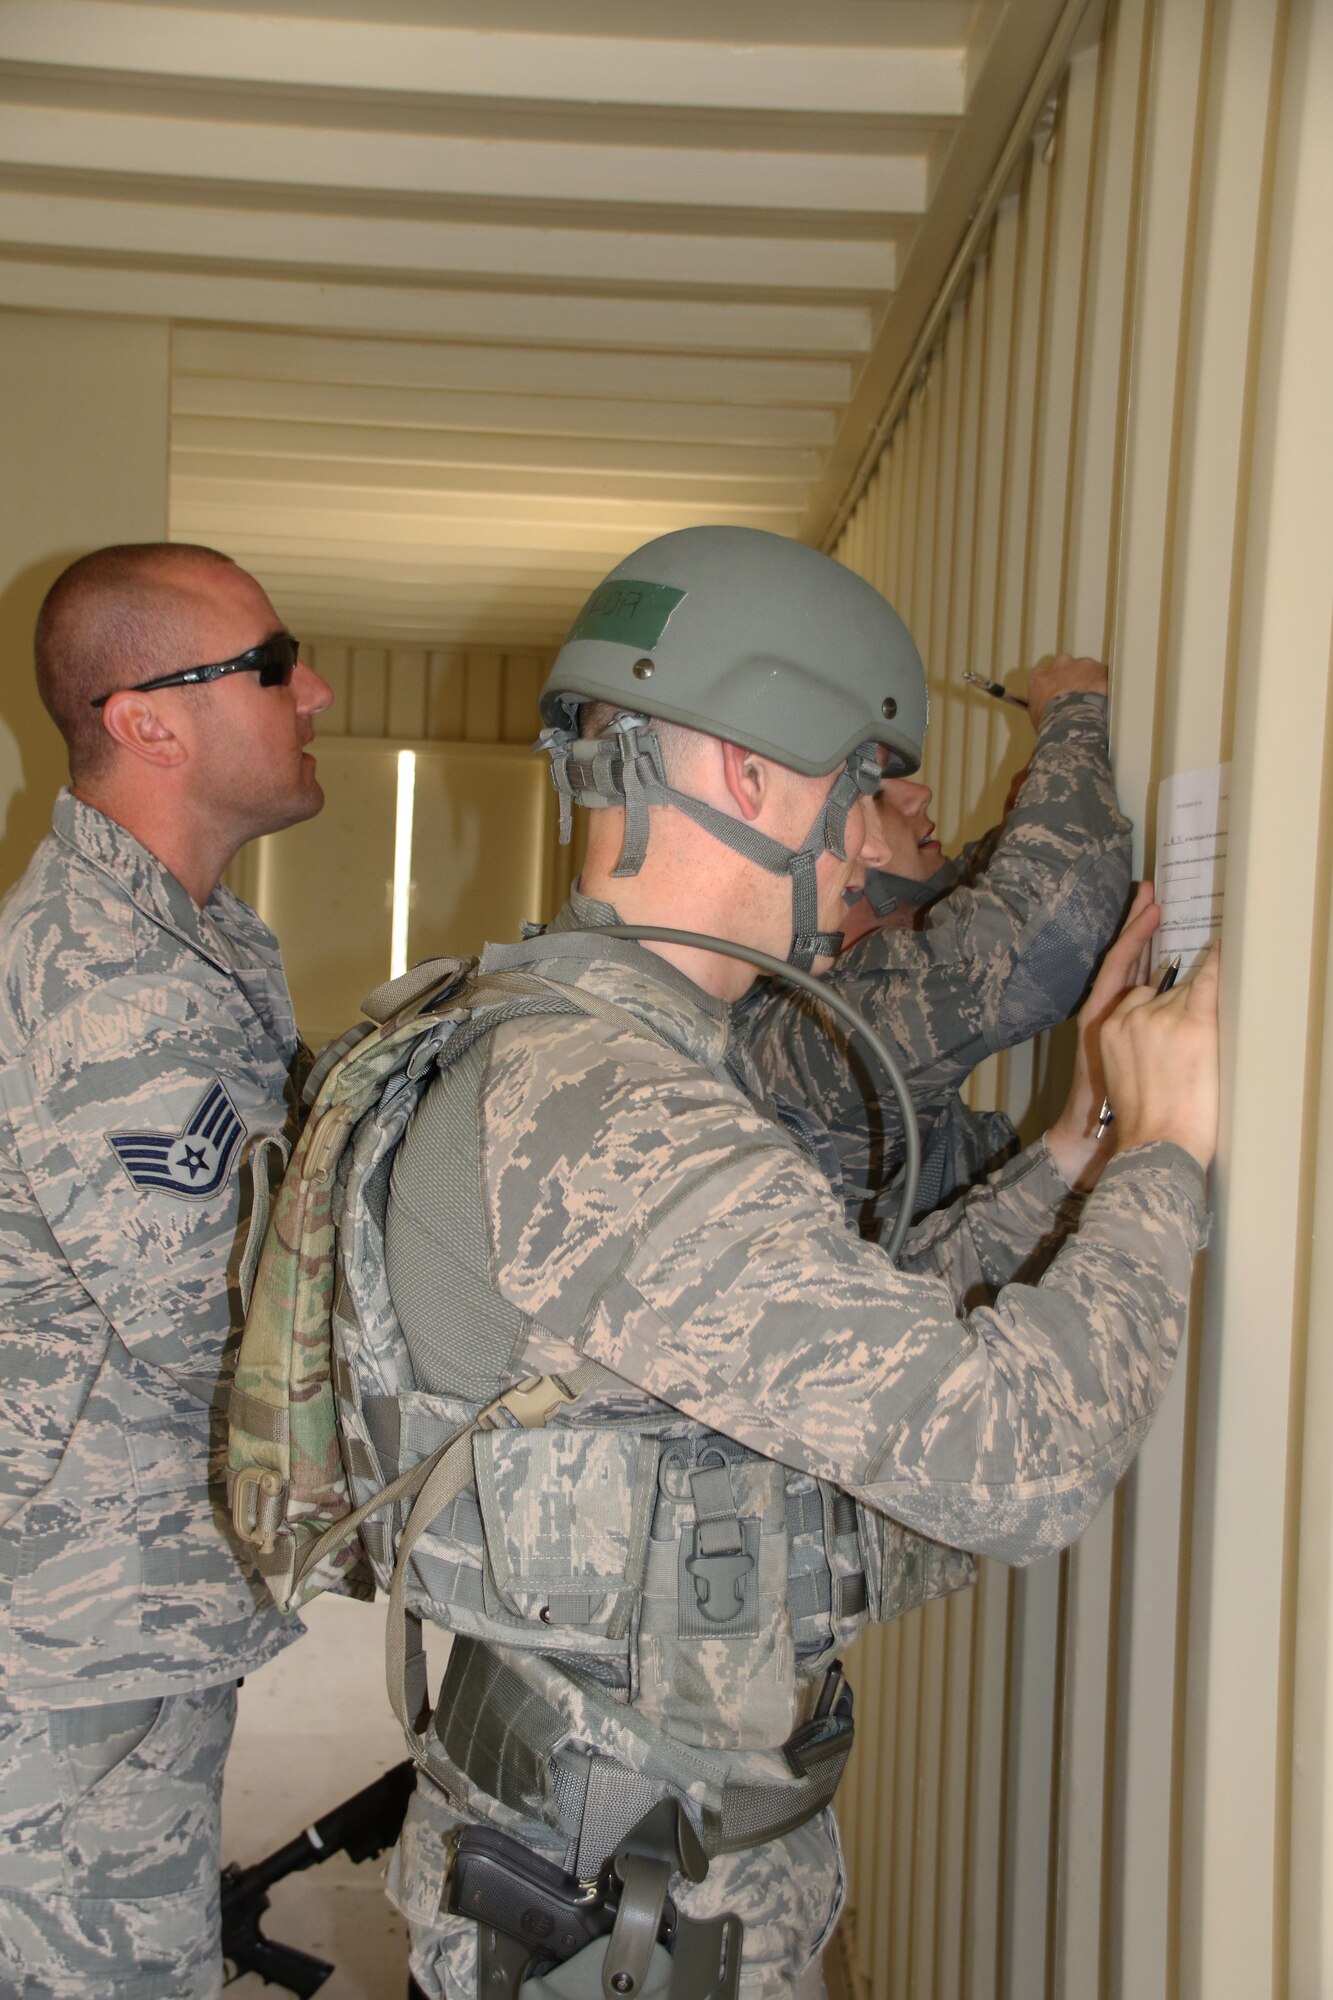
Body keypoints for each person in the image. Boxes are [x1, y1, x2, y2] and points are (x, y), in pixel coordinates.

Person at [377, 526, 1217, 2000]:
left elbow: (828, 1342)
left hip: (633, 1858)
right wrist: (1166, 1155)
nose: (869, 846)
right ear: (747, 774)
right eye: (861, 784)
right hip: (616, 1907)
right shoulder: (613, 1113)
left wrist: (1069, 1154)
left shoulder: (597, 1052)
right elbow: (1018, 1462)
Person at [0, 544, 333, 1999]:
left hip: (127, 1621)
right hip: (69, 1648)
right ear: (147, 720)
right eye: (274, 664)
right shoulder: (105, 984)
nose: (314, 691)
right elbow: (233, 1314)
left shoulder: (198, 940)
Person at [739, 654, 1131, 1233]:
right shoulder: (812, 1041)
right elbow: (1038, 938)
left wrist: (1039, 802)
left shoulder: (814, 990)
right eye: (873, 796)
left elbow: (992, 895)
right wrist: (1072, 712)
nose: (919, 796)